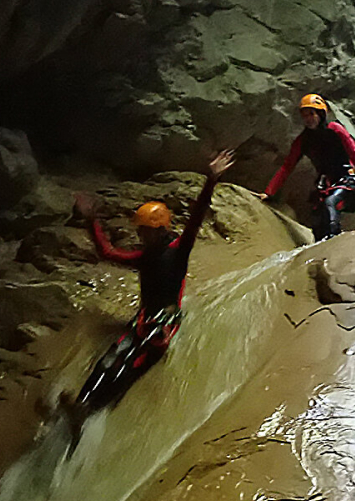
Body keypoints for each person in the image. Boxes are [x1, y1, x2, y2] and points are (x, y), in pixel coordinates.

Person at [65, 149, 235, 427]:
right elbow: (107, 253)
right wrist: (91, 221)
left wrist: (211, 179)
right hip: (145, 317)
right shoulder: (145, 256)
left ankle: (91, 409)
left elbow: (196, 215)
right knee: (111, 356)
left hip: (165, 320)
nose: (139, 235)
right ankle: (81, 402)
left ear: (158, 229)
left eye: (143, 231)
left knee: (131, 361)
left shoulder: (178, 249)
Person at [257, 93, 355, 240]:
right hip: (327, 183)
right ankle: (321, 246)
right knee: (317, 217)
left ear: (321, 114)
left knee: (331, 203)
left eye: (311, 114)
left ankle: (333, 239)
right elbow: (287, 167)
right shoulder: (303, 140)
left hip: (347, 178)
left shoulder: (335, 130)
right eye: (305, 116)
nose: (308, 119)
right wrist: (269, 192)